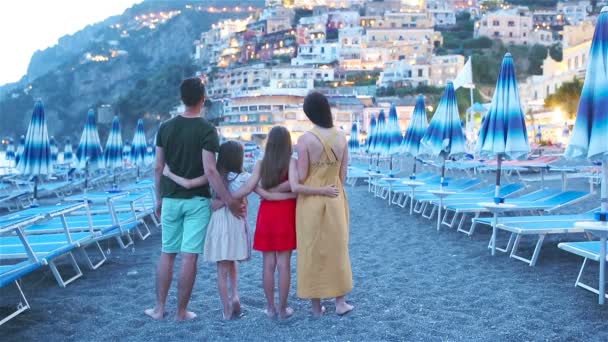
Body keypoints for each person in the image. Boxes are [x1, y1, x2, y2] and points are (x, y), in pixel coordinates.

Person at [145, 77, 240, 321]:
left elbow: (158, 167)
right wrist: (229, 200)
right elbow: (210, 170)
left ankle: (159, 308)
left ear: (181, 98)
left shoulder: (165, 128)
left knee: (167, 253)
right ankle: (180, 312)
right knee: (189, 256)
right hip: (197, 201)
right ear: (202, 99)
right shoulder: (207, 130)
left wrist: (158, 198)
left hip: (170, 199)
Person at [232, 126, 338, 319]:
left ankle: (270, 308)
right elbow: (295, 186)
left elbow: (248, 187)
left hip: (267, 215)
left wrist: (228, 199)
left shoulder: (260, 163)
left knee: (267, 264)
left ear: (269, 143)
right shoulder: (291, 161)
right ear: (287, 143)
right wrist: (282, 194)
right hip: (285, 215)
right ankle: (282, 309)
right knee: (284, 264)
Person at [289, 92, 354, 317]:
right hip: (335, 196)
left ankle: (316, 307)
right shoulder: (341, 137)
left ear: (309, 113)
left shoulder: (305, 139)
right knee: (338, 248)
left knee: (312, 249)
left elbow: (302, 174)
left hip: (311, 201)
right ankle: (340, 302)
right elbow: (343, 176)